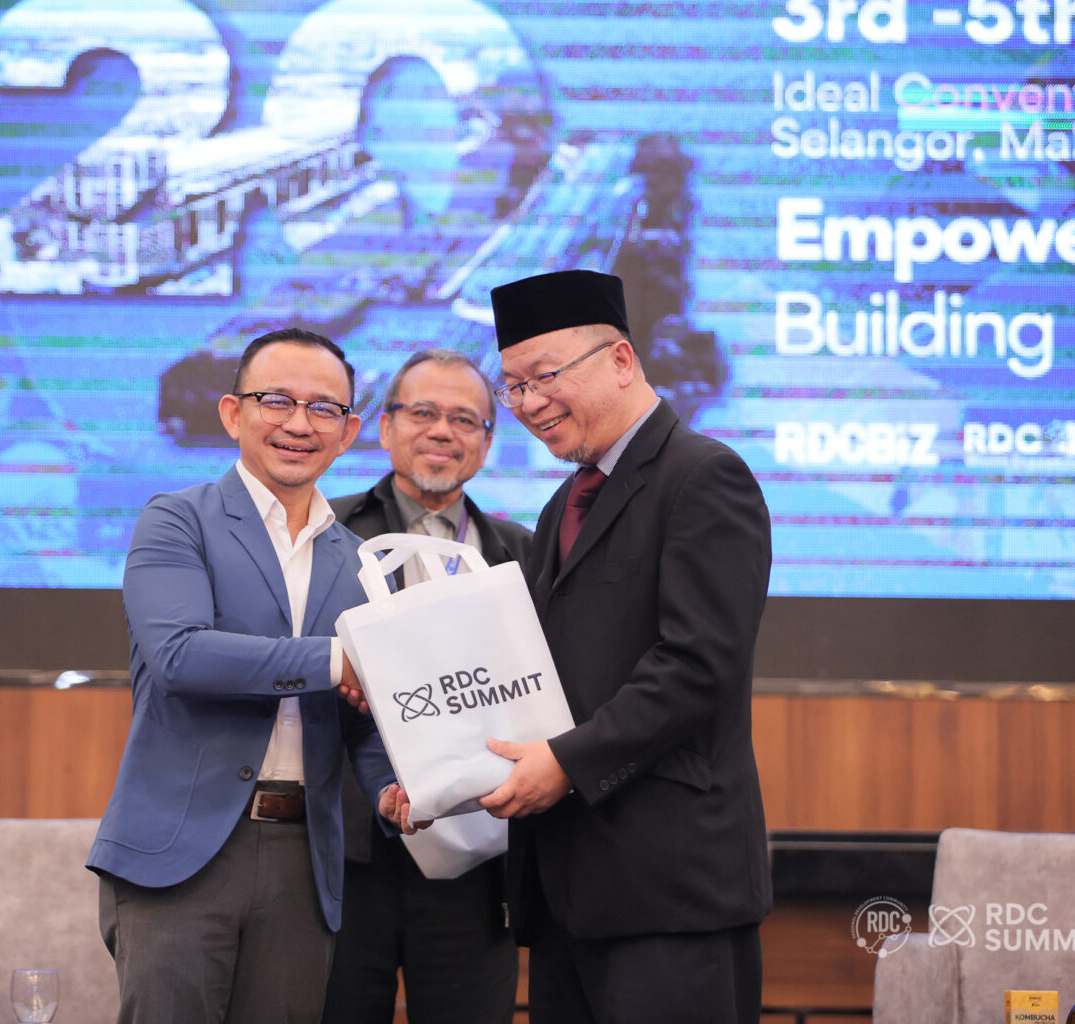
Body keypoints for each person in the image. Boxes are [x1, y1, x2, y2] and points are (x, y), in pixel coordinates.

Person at [87, 327, 422, 1024]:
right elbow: (180, 655)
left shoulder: (362, 563)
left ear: (349, 431)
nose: (299, 423)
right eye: (277, 400)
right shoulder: (176, 521)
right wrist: (335, 659)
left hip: (305, 862)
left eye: (324, 408)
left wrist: (390, 788)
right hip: (182, 853)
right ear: (233, 413)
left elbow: (361, 716)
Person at [481, 270, 773, 1023]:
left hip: (670, 891)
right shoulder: (564, 502)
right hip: (567, 894)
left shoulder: (704, 477)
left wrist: (565, 763)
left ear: (620, 360)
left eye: (544, 376)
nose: (528, 404)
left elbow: (697, 665)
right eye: (513, 387)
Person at [324, 349, 530, 1024]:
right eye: (423, 412)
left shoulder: (523, 555)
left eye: (465, 419)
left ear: (487, 443)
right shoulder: (327, 536)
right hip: (349, 856)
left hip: (478, 857)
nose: (443, 430)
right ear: (384, 428)